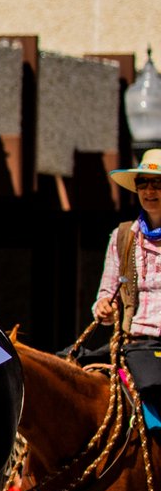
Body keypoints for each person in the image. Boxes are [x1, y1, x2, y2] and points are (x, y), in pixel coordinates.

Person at [90, 148, 161, 414]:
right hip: (131, 343)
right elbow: (106, 293)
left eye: (157, 183)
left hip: (157, 350)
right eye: (142, 182)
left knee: (152, 384)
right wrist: (103, 307)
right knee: (66, 367)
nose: (149, 190)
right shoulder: (123, 236)